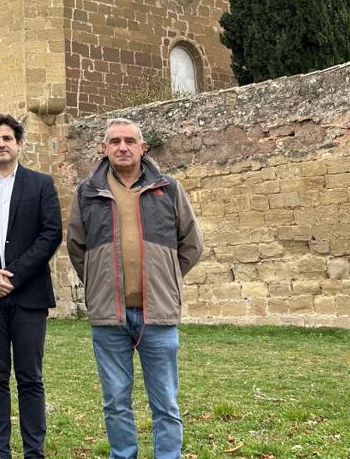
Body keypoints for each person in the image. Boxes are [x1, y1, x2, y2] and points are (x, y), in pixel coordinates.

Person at [67, 118, 203, 459]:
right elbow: (76, 248)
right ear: (104, 148)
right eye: (114, 141)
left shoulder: (168, 188)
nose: (122, 147)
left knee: (166, 403)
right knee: (115, 401)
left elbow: (191, 244)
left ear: (143, 148)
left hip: (157, 314)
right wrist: (101, 284)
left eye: (130, 141)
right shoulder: (86, 192)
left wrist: (165, 278)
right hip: (108, 316)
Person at [0, 114, 62, 459]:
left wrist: (15, 275)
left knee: (30, 377)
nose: (2, 144)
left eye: (7, 138)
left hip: (30, 295)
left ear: (19, 144)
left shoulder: (41, 184)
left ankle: (34, 452)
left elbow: (51, 233)